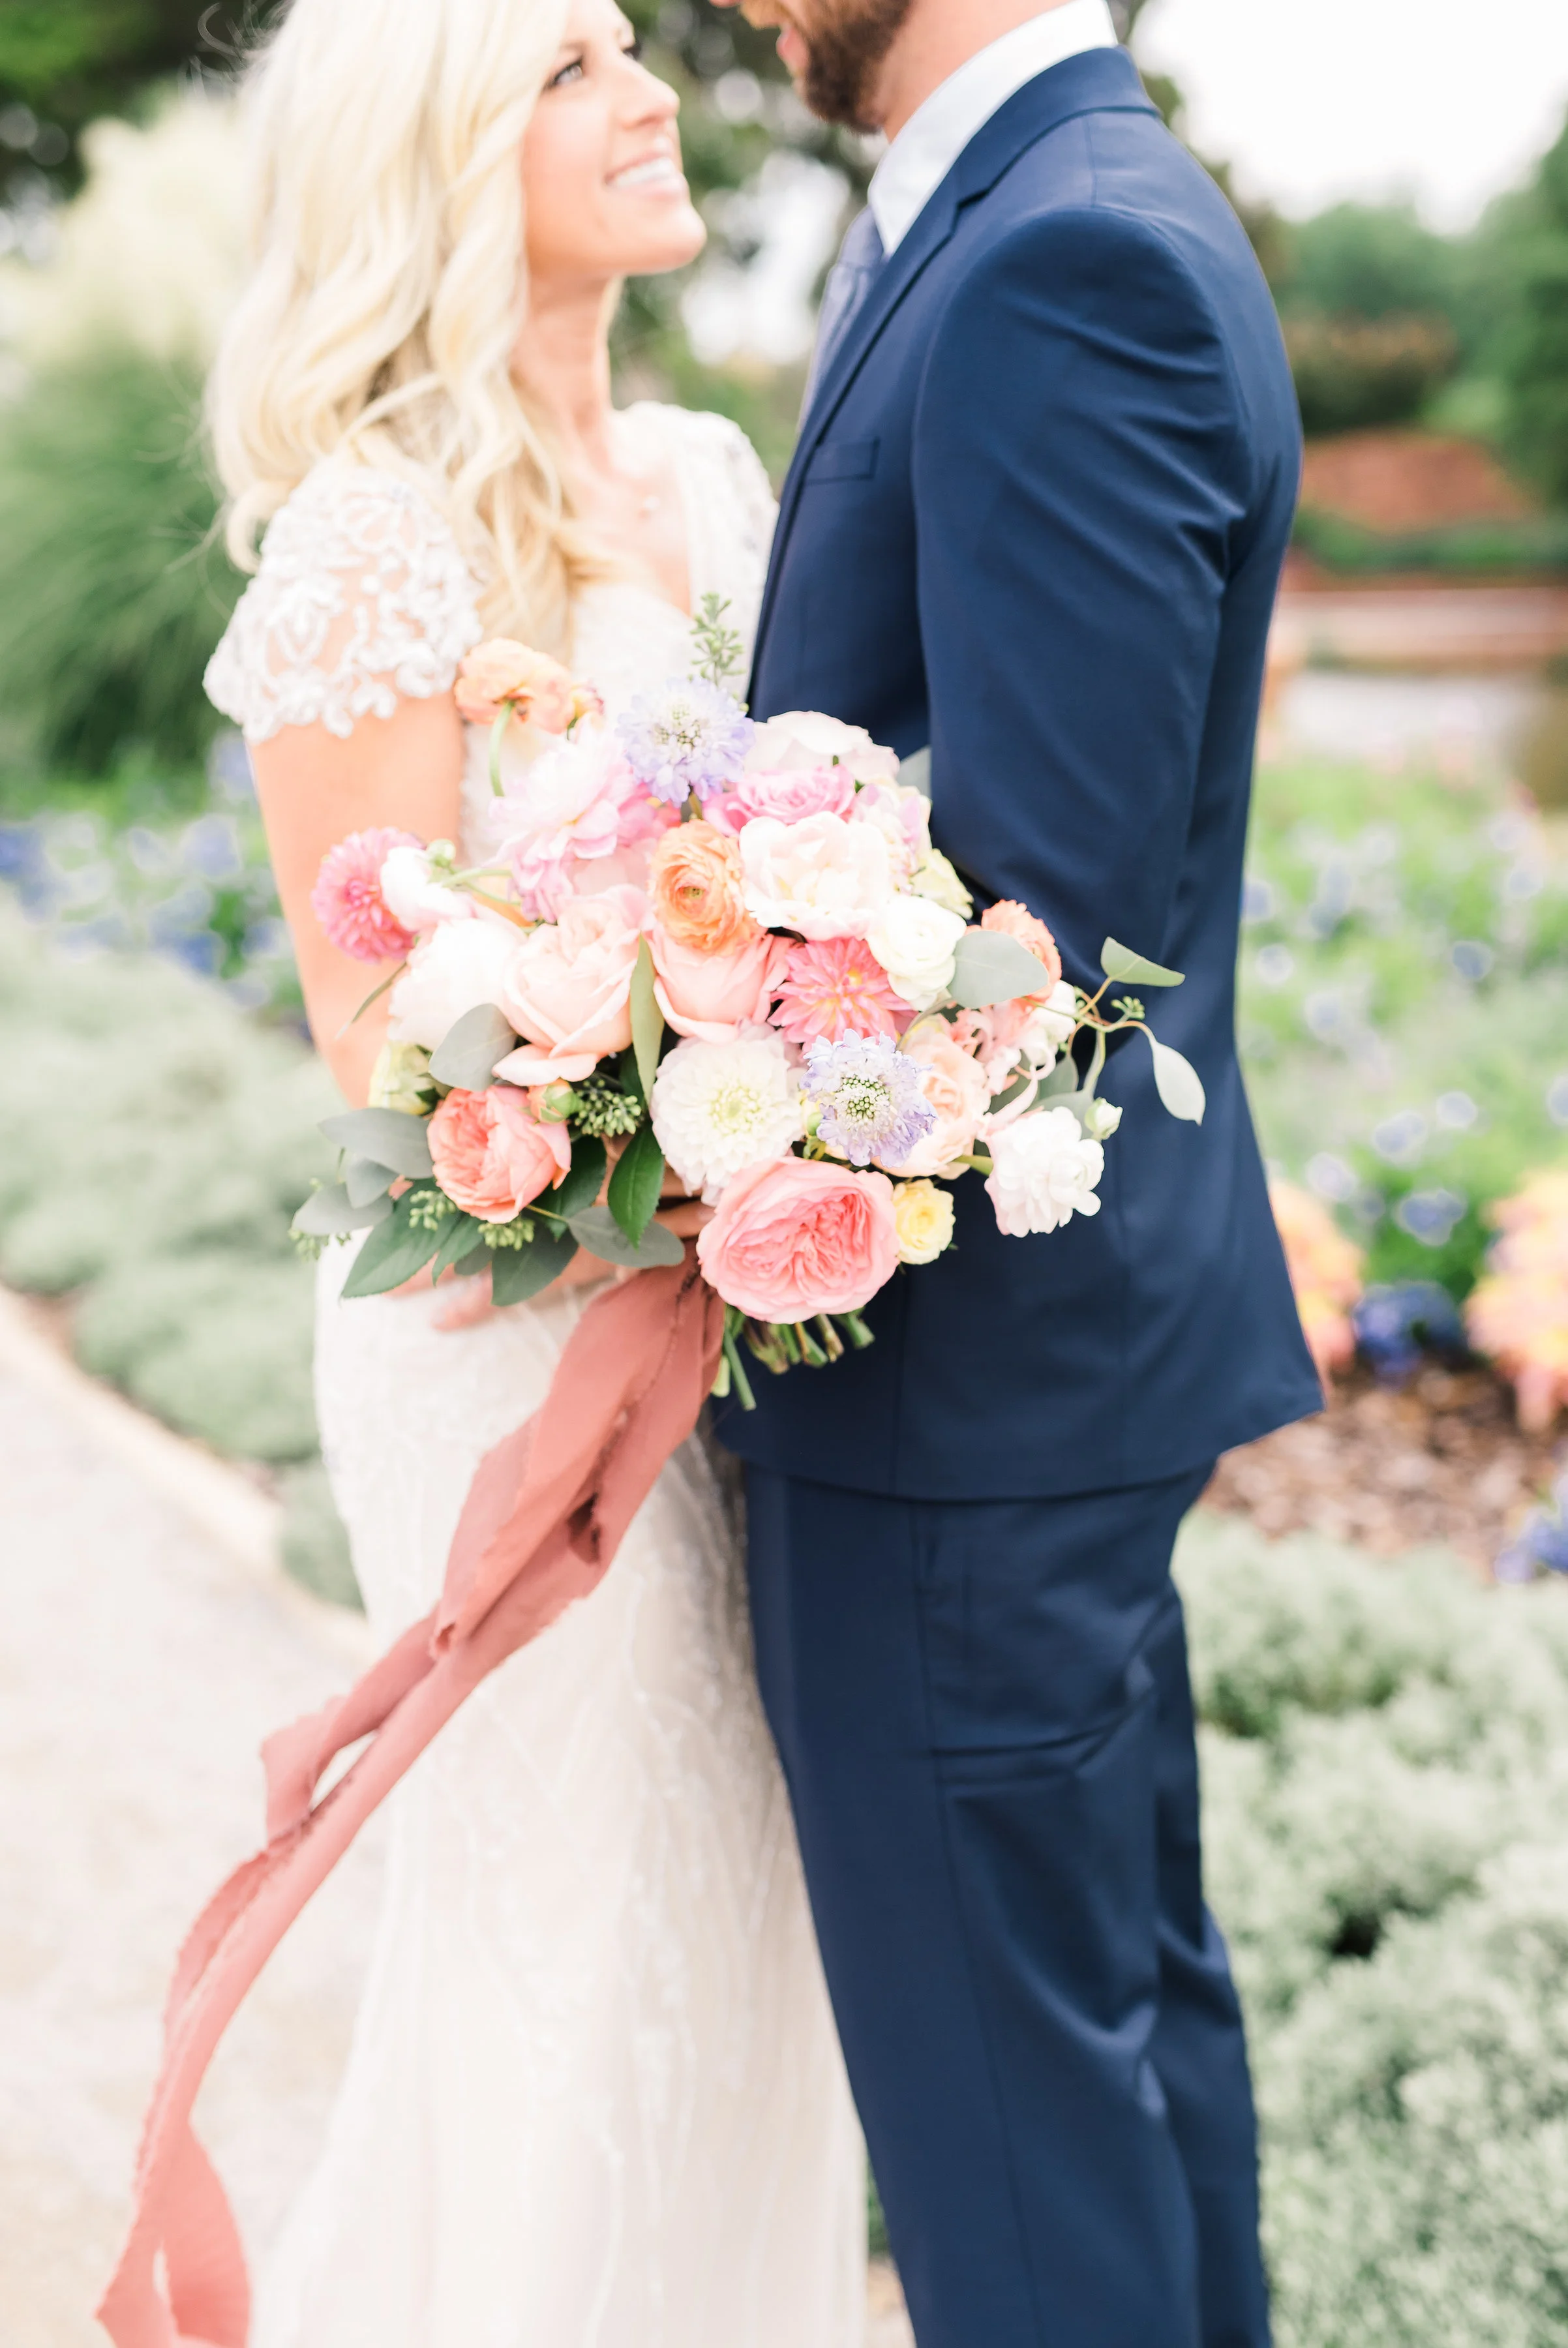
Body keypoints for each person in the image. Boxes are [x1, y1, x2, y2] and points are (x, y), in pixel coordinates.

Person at [202, 1, 866, 2341]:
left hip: (734, 1296)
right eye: (573, 64)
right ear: (442, 156)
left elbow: (808, 838)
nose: (650, 89)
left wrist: (822, 1039)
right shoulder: (377, 531)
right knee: (577, 1925)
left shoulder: (705, 472)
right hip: (498, 1327)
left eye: (631, 47)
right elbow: (375, 1021)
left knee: (750, 1924)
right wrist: (660, 1079)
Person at [705, 0, 1325, 2343]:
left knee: (1012, 2160)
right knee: (1109, 2077)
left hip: (955, 1397)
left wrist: (690, 1113)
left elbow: (1035, 944)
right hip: (1024, 1394)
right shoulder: (1035, 221)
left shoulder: (1069, 259)